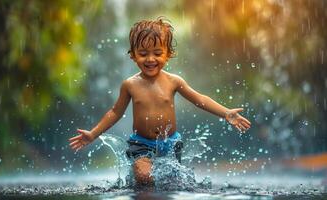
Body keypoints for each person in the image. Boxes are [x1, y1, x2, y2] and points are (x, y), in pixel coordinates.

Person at [69, 18, 251, 186]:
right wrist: (93, 134)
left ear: (168, 54)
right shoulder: (130, 85)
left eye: (157, 53)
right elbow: (115, 112)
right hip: (141, 144)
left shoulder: (174, 81)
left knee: (171, 184)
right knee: (143, 177)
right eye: (143, 53)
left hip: (171, 143)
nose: (150, 59)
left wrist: (226, 112)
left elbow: (200, 99)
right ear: (133, 55)